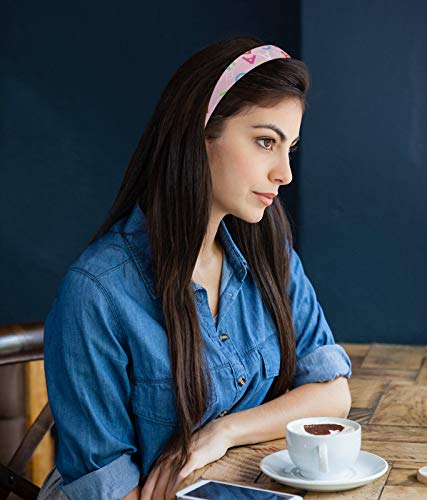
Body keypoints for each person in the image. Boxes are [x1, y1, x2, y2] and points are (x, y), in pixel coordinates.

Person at [37, 36, 352, 500]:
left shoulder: (270, 248)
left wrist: (220, 433)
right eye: (266, 142)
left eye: (291, 148)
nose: (284, 172)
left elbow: (331, 394)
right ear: (199, 135)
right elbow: (107, 490)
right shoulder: (99, 292)